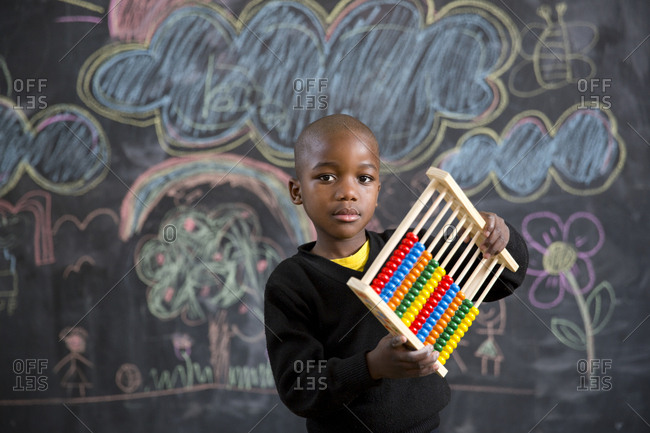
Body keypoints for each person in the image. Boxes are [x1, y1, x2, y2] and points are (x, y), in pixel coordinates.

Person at [264, 114, 529, 433]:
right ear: (296, 191)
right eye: (326, 177)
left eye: (363, 179)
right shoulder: (291, 283)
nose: (347, 192)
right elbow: (299, 387)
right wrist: (370, 367)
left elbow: (503, 279)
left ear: (377, 189)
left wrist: (499, 236)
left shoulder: (411, 252)